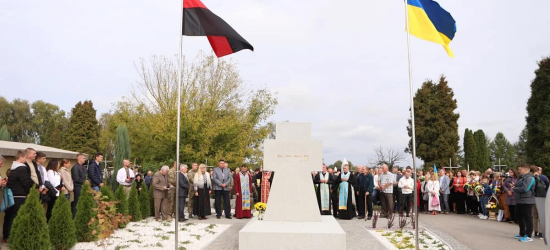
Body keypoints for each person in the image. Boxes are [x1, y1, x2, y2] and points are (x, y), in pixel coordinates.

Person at [2, 151, 35, 242]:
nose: (25, 160)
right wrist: (30, 191)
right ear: (21, 158)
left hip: (12, 195)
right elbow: (26, 182)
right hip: (19, 195)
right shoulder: (21, 168)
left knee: (8, 216)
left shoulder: (13, 168)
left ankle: (6, 236)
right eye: (24, 158)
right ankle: (12, 236)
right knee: (16, 216)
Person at [513, 163, 536, 242]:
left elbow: (525, 189)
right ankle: (522, 233)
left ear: (525, 170)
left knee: (528, 218)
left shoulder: (530, 178)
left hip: (527, 201)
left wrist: (515, 188)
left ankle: (529, 236)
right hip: (520, 201)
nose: (519, 171)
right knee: (519, 217)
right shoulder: (522, 177)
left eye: (520, 170)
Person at [71, 153, 87, 218]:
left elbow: (85, 176)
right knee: (77, 202)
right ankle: (74, 216)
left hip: (83, 186)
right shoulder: (75, 167)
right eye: (83, 158)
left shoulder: (83, 167)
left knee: (82, 202)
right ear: (79, 158)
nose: (84, 159)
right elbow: (76, 178)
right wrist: (84, 182)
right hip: (77, 187)